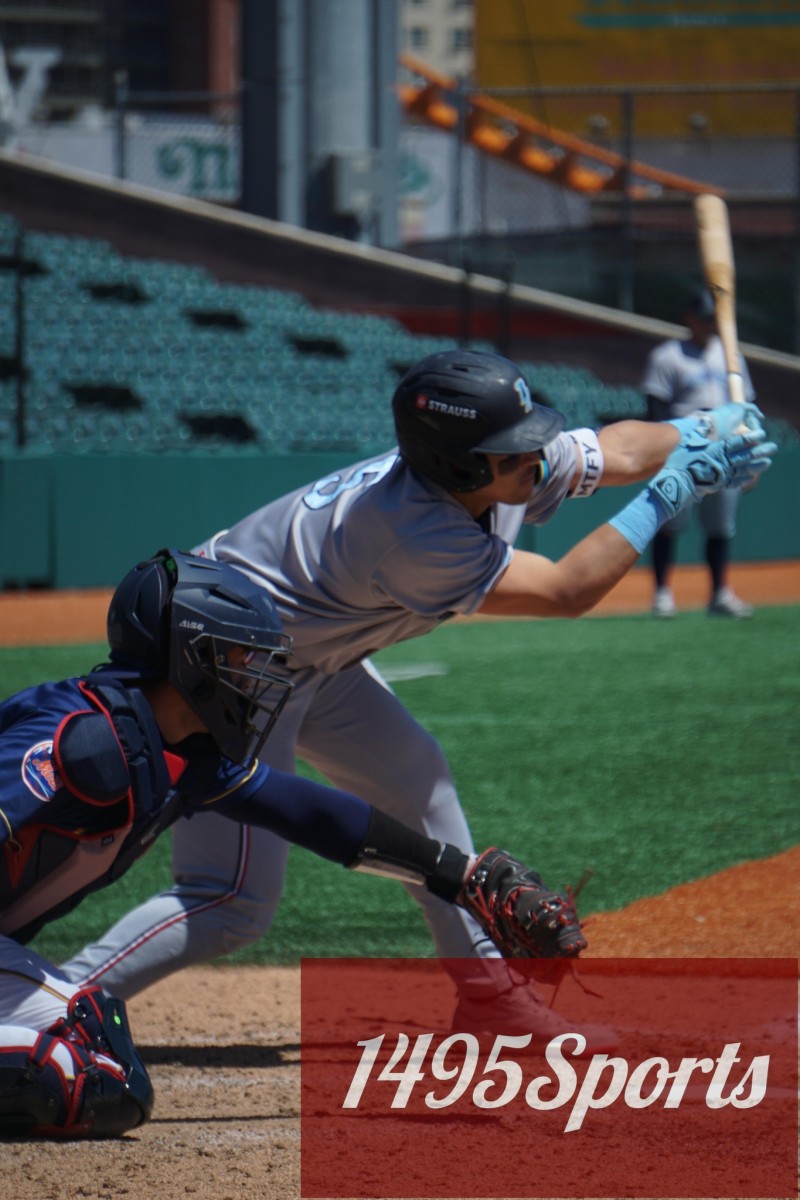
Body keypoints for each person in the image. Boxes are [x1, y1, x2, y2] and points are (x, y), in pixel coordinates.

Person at [61, 349, 773, 1047]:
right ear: (460, 464)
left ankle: (492, 997)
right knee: (230, 898)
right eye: (516, 447)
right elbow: (566, 591)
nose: (538, 454)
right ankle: (49, 1007)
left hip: (304, 657)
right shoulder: (414, 531)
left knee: (419, 784)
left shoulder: (491, 468)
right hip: (223, 669)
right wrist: (671, 492)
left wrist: (705, 430)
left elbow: (618, 449)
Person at [0, 548, 588, 1137]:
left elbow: (310, 814)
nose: (250, 677)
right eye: (238, 657)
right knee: (92, 1068)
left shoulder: (179, 753)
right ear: (190, 657)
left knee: (102, 1067)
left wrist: (459, 876)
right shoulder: (82, 741)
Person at [642, 288, 759, 618]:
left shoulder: (731, 356)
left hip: (725, 448)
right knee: (669, 522)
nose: (710, 324)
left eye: (714, 319)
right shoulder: (668, 356)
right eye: (705, 318)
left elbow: (746, 407)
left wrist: (750, 456)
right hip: (684, 446)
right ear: (689, 318)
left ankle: (719, 592)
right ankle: (662, 594)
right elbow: (656, 408)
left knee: (720, 526)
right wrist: (665, 450)